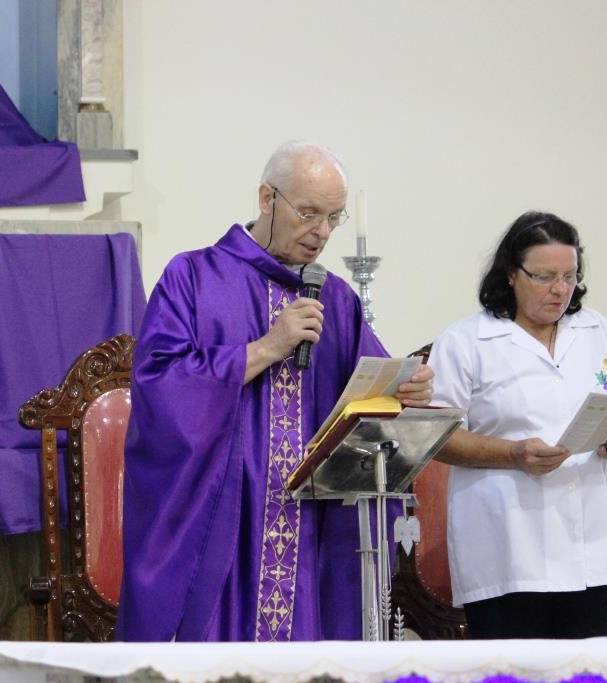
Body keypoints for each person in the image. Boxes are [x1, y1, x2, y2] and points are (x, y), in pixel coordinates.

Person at [117, 141, 434, 641]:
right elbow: (159, 385)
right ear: (267, 198)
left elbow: (366, 399)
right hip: (225, 523)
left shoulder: (336, 299)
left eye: (334, 218)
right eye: (309, 214)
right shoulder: (194, 277)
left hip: (309, 531)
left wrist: (405, 390)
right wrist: (267, 347)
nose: (322, 232)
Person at [428, 211, 607, 639]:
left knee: (595, 664)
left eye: (569, 276)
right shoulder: (467, 341)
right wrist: (513, 454)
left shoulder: (598, 331)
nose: (560, 289)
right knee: (515, 664)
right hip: (509, 550)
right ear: (512, 274)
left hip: (597, 547)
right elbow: (435, 436)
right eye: (545, 277)